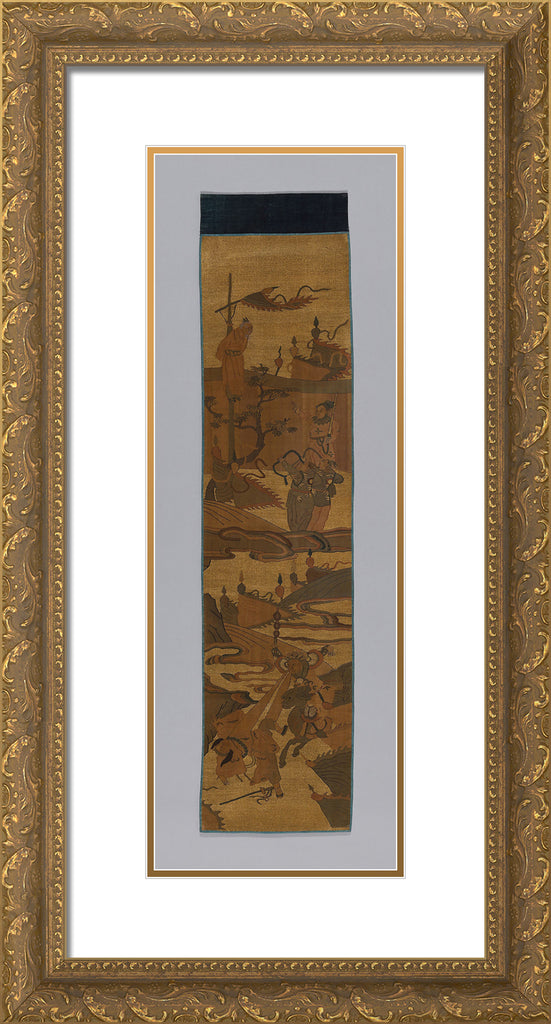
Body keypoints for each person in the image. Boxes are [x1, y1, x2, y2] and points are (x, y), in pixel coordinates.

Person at [215, 318, 253, 399]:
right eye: (248, 328)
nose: (249, 330)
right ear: (243, 327)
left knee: (239, 375)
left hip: (238, 358)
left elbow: (242, 348)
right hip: (229, 358)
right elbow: (225, 342)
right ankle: (230, 394)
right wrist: (220, 354)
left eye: (250, 328)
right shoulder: (235, 333)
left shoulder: (245, 336)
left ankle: (238, 394)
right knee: (229, 375)